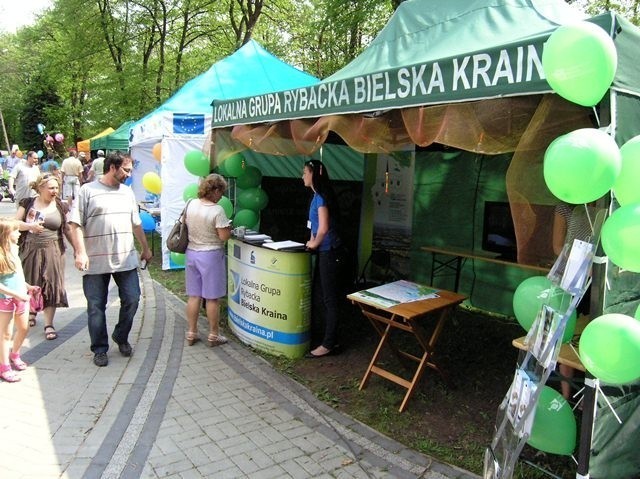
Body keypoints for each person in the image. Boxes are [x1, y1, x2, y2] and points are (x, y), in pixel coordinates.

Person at [68, 152, 152, 367]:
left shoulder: (127, 192)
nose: (129, 174)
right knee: (96, 306)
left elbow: (136, 223)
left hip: (125, 259)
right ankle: (100, 349)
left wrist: (145, 247)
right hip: (95, 261)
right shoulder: (88, 191)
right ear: (112, 167)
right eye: (126, 169)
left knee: (133, 299)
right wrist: (80, 252)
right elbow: (74, 224)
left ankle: (121, 336)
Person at [15, 173, 71, 338]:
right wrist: (29, 226)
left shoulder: (60, 205)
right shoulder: (28, 203)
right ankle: (31, 311)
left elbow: (66, 229)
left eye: (56, 188)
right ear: (40, 188)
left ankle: (48, 324)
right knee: (30, 282)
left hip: (53, 249)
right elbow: (14, 223)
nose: (55, 191)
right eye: (51, 188)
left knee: (51, 284)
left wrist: (79, 250)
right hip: (30, 248)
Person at [552, 201, 595, 400]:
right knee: (567, 335)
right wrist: (582, 261)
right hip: (571, 278)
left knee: (593, 334)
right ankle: (566, 396)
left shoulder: (607, 205)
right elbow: (557, 246)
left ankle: (590, 396)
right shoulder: (564, 207)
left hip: (598, 282)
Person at [184, 174, 232, 347]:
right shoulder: (217, 210)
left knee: (194, 295)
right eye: (222, 192)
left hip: (192, 253)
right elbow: (224, 236)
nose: (222, 196)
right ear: (216, 190)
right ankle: (213, 334)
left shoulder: (190, 203)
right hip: (211, 255)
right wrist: (230, 228)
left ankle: (191, 332)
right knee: (212, 298)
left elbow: (184, 223)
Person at [302, 159, 343, 358]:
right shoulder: (316, 196)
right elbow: (315, 226)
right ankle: (325, 337)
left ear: (313, 174)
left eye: (305, 173)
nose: (302, 176)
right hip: (324, 252)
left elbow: (324, 227)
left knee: (329, 299)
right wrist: (311, 241)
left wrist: (315, 244)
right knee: (321, 296)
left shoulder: (321, 198)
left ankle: (329, 343)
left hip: (330, 252)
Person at [0, 218, 37, 382]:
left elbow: (16, 274)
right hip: (6, 298)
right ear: (6, 234)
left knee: (23, 328)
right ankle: (4, 366)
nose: (19, 233)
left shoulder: (14, 249)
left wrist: (27, 286)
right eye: (15, 231)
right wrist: (16, 294)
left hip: (21, 295)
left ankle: (15, 354)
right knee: (5, 333)